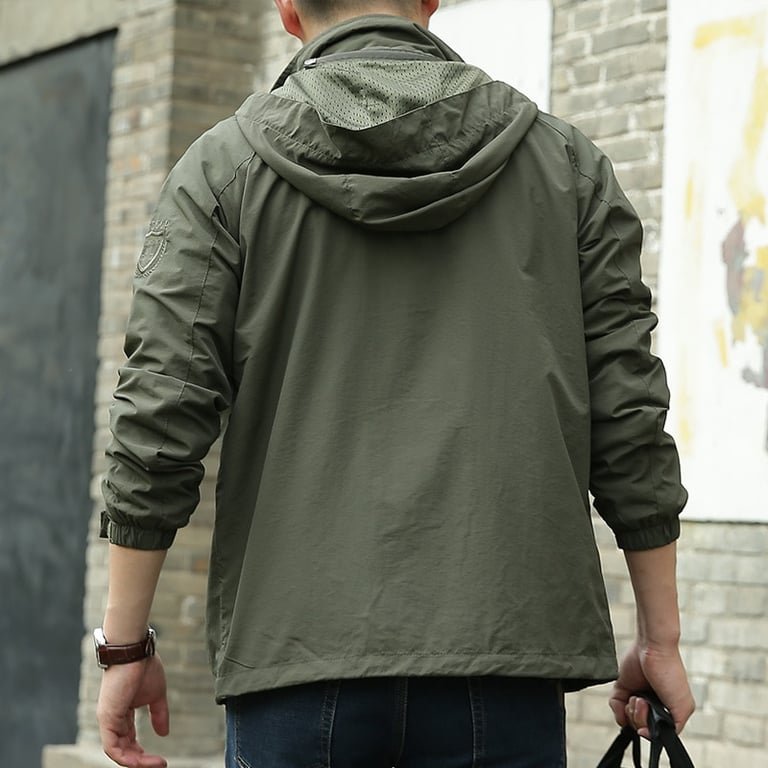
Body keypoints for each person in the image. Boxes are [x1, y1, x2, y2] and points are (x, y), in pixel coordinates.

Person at [95, 1, 696, 766]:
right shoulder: (566, 169)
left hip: (297, 657)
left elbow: (158, 417)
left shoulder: (222, 172)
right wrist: (660, 637)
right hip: (502, 657)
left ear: (287, 8)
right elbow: (630, 419)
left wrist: (124, 647)